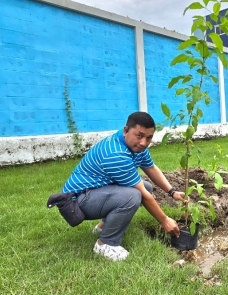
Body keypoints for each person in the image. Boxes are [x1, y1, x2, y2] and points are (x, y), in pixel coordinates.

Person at [62, 111, 186, 261]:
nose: (144, 143)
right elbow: (145, 198)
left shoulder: (135, 146)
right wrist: (164, 220)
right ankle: (105, 244)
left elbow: (151, 168)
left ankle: (102, 228)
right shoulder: (116, 154)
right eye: (139, 135)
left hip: (93, 192)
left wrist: (172, 192)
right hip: (75, 202)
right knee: (133, 195)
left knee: (145, 187)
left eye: (149, 137)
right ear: (126, 130)